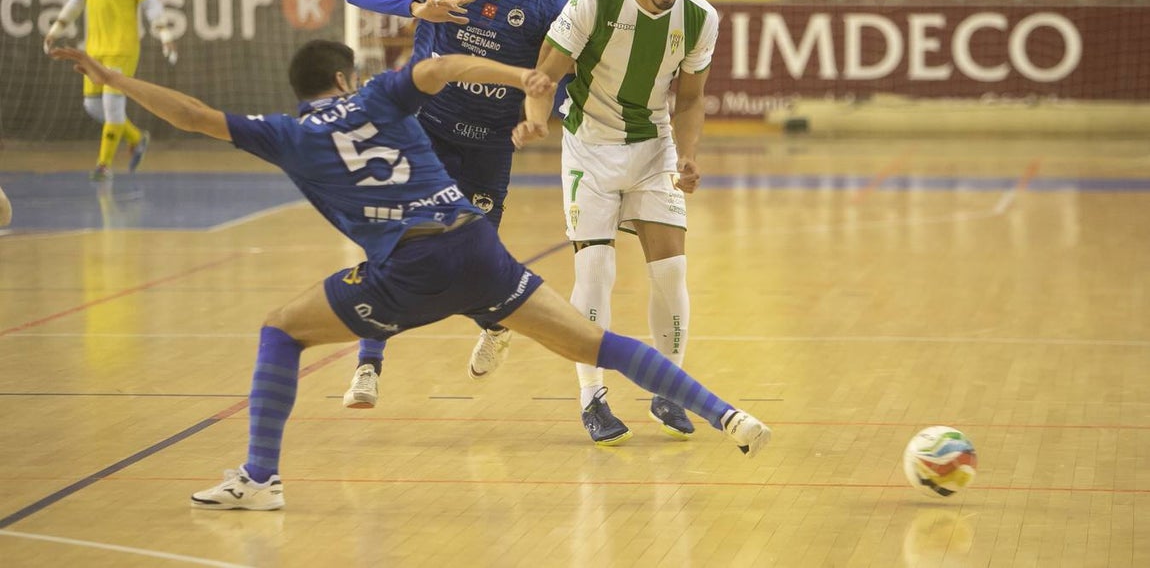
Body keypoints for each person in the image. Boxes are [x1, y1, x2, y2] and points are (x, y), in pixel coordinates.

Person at [49, 41, 770, 512]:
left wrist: (112, 77)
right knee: (594, 343)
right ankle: (725, 413)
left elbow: (195, 115)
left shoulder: (289, 132)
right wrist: (524, 76)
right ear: (343, 78)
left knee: (280, 327)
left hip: (413, 268)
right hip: (474, 245)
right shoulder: (378, 96)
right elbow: (450, 65)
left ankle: (260, 478)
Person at [343, 0, 568, 408]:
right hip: (424, 131)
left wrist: (541, 117)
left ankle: (495, 323)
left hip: (489, 146)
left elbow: (557, 78)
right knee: (391, 241)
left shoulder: (548, 4)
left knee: (473, 266)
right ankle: (367, 367)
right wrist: (417, 10)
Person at [512, 0, 720, 447]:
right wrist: (536, 115)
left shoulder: (700, 18)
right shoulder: (595, 1)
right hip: (590, 147)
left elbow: (691, 99)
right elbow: (547, 69)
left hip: (655, 148)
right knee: (597, 269)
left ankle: (667, 390)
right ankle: (592, 397)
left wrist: (689, 157)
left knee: (672, 272)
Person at [43, 0, 178, 182]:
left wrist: (164, 33)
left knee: (113, 106)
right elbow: (75, 2)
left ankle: (103, 166)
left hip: (123, 49)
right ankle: (137, 138)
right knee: (93, 107)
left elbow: (151, 3)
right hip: (94, 50)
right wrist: (55, 30)